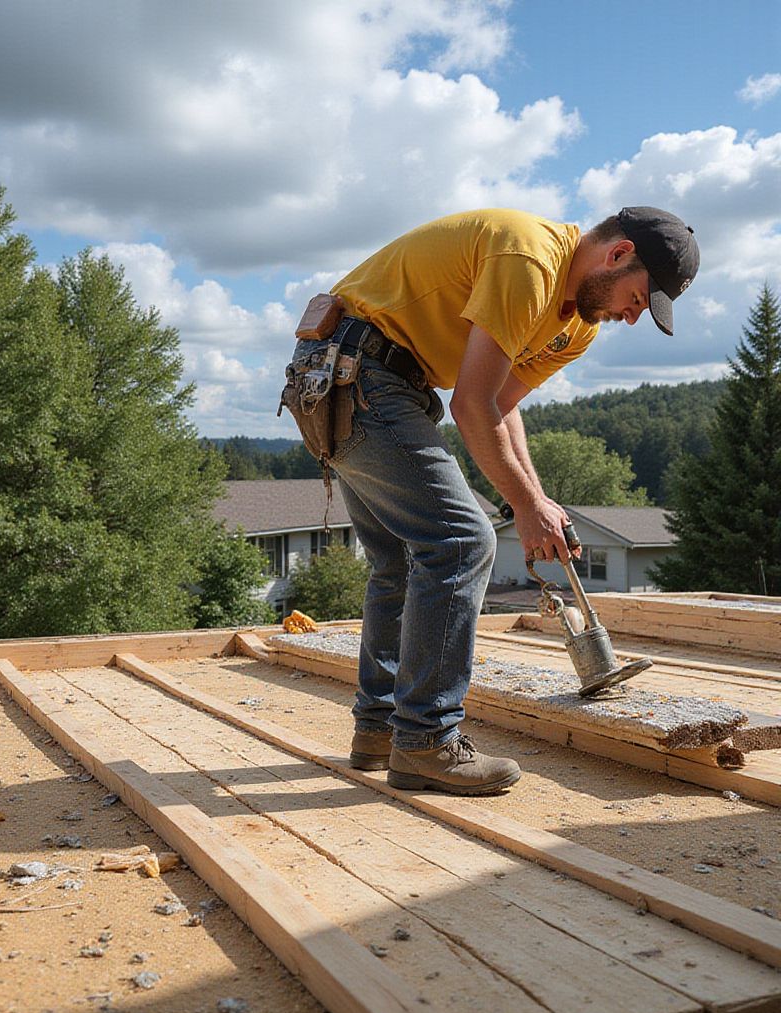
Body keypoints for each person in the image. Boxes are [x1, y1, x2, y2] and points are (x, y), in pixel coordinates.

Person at [285, 206, 699, 795]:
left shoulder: (576, 326)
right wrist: (523, 507)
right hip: (355, 371)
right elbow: (471, 405)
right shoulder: (528, 259)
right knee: (460, 542)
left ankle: (381, 730)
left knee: (404, 560)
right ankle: (427, 739)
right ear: (617, 254)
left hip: (374, 382)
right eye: (640, 298)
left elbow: (502, 405)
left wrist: (536, 502)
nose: (633, 318)